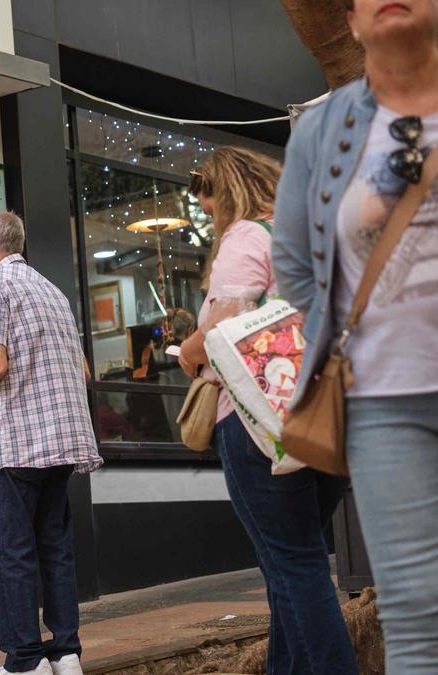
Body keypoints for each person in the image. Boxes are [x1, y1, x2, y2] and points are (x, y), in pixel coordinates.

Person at [273, 1, 438, 669]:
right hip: (382, 403)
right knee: (415, 611)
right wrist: (341, 341)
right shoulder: (324, 129)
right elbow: (293, 265)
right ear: (351, 22)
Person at [179, 147, 358, 675]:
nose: (212, 220)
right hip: (330, 414)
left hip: (260, 423)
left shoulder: (246, 236)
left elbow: (221, 326)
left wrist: (187, 351)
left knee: (297, 565)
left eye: (211, 207)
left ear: (228, 192)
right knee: (289, 564)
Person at [0, 212, 102, 675]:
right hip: (63, 440)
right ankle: (65, 653)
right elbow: (83, 372)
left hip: (16, 441)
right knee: (55, 547)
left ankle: (24, 660)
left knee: (12, 550)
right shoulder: (52, 291)